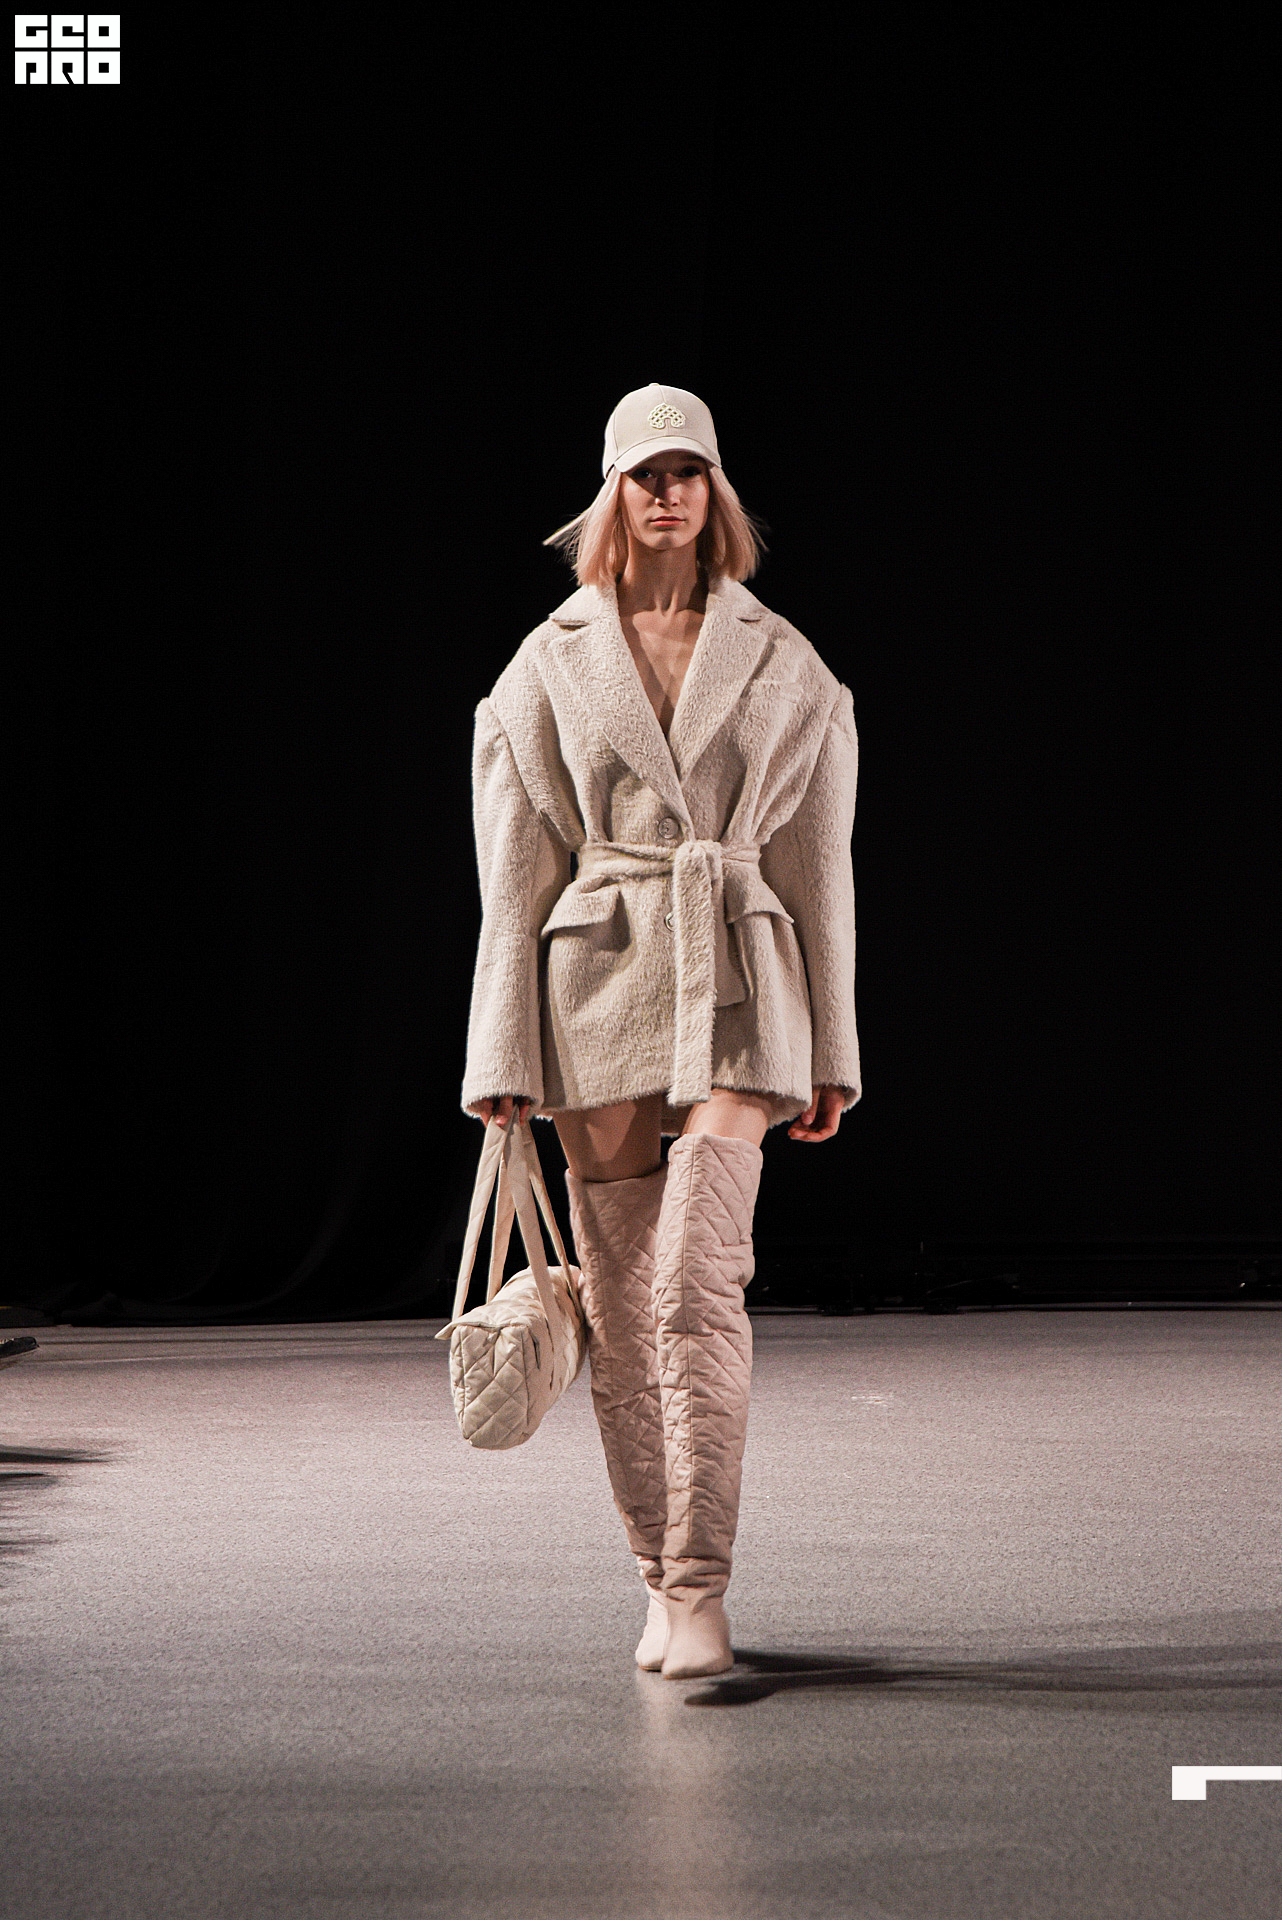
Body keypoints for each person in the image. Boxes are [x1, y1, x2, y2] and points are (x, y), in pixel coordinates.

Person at [461, 382, 860, 1680]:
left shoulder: (782, 659)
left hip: (744, 978)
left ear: (715, 490)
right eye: (646, 473)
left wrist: (835, 1050)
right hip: (601, 985)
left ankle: (702, 1587)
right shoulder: (547, 663)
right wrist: (499, 1054)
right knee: (630, 1315)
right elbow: (513, 879)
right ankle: (658, 1580)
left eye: (689, 471)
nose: (668, 493)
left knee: (696, 1281)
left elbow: (818, 868)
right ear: (613, 492)